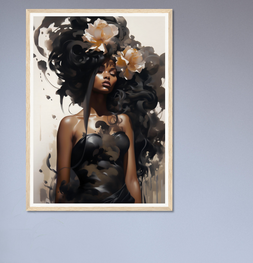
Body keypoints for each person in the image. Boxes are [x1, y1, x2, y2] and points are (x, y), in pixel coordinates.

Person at [34, 16, 165, 203]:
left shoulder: (123, 121)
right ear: (87, 73)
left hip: (123, 203)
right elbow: (62, 186)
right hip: (85, 207)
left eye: (113, 73)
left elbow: (131, 179)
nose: (108, 77)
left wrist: (140, 213)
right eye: (100, 71)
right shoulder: (69, 124)